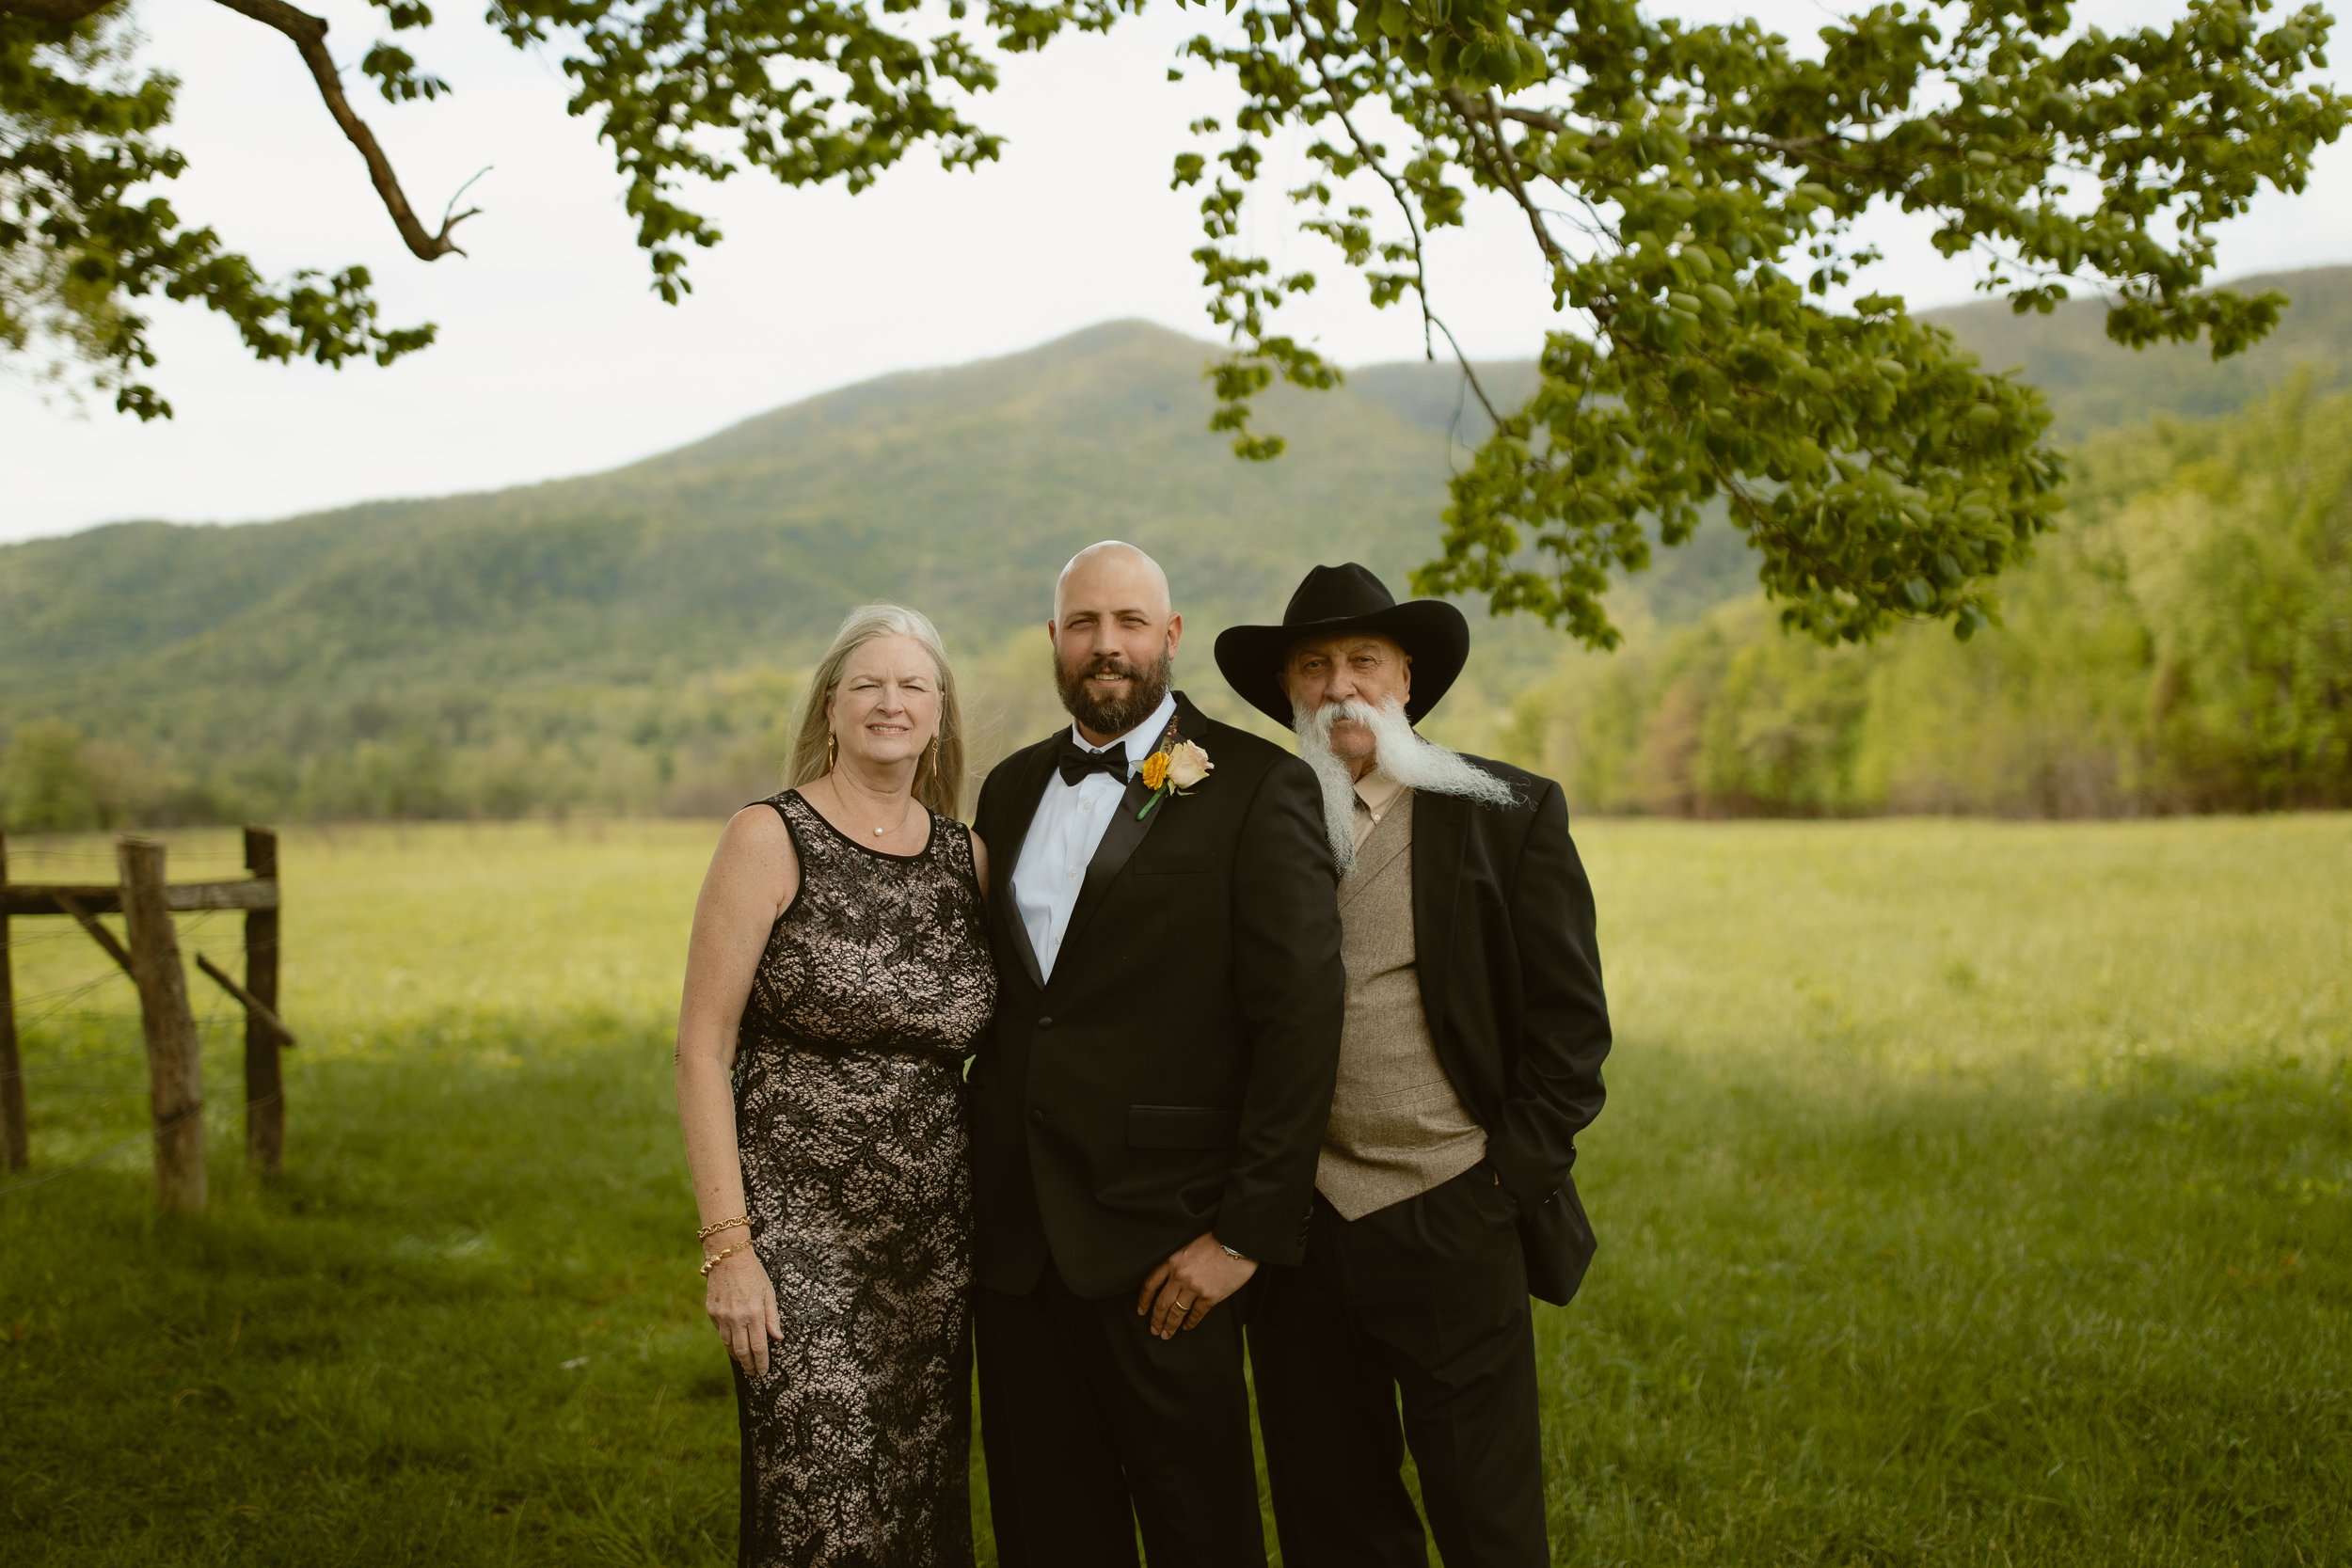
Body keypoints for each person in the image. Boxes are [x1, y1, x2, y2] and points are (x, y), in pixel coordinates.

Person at [1214, 562, 1613, 1568]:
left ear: (1405, 679)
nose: (1338, 683)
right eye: (1313, 664)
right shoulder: (1249, 826)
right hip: (1299, 1234)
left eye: (1363, 659)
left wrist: (1494, 1190)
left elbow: (1572, 1034)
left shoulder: (1506, 810)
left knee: (1486, 1520)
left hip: (1452, 1214)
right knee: (1331, 1519)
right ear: (1289, 691)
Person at [968, 541, 1345, 1568]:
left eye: (1129, 621)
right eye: (1084, 623)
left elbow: (1303, 1020)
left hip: (1167, 1239)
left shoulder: (1261, 787)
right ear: (1055, 640)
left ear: (1169, 636)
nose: (1106, 644)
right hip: (1016, 1246)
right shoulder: (1004, 792)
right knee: (1048, 1528)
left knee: (1198, 1526)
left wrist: (1244, 1233)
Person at [673, 604, 996, 1568]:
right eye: (867, 684)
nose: (889, 702)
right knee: (820, 1502)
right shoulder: (769, 835)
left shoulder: (965, 858)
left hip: (935, 1242)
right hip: (799, 1238)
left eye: (912, 685)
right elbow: (700, 1048)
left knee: (918, 1492)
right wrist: (729, 1246)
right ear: (828, 709)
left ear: (939, 716)